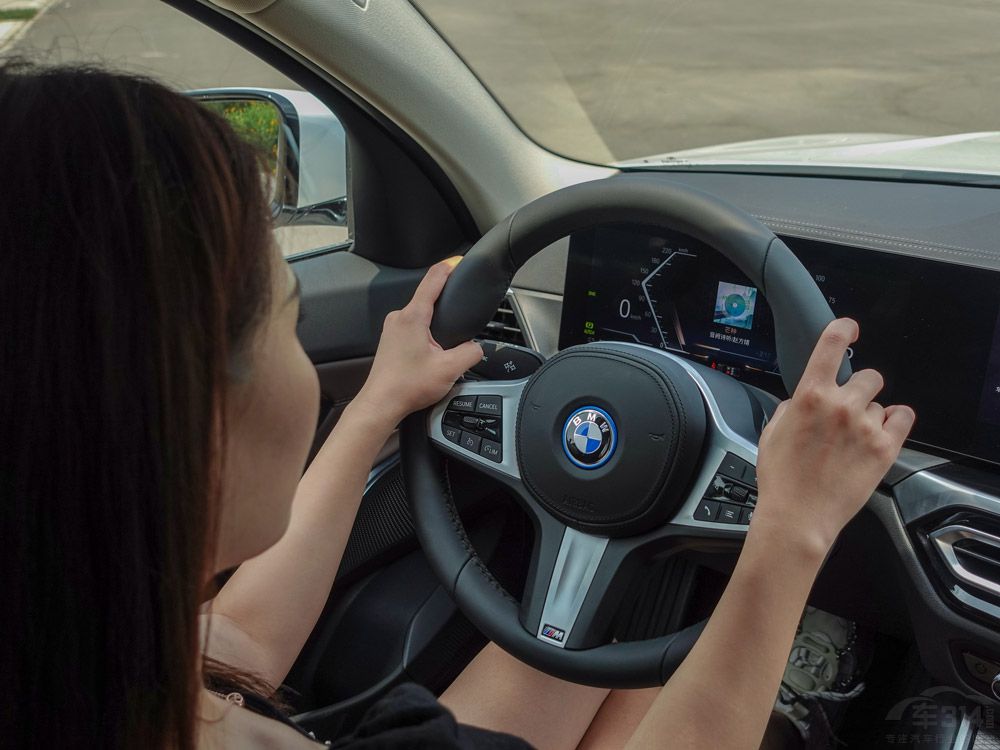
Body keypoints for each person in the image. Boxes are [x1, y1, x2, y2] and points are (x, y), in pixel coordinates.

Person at [0, 62, 915, 750]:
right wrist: (790, 532)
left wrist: (373, 411)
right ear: (173, 414)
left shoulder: (93, 656)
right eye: (286, 313)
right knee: (660, 636)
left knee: (621, 614)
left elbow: (237, 641)